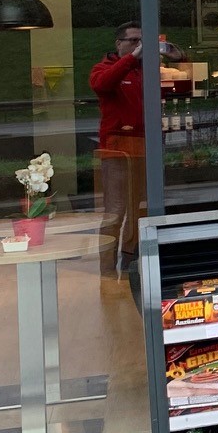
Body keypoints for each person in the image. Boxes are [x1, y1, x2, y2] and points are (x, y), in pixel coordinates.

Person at [89, 21, 146, 277]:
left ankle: (130, 260)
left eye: (141, 42)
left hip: (144, 147)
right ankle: (106, 267)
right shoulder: (105, 68)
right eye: (133, 40)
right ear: (119, 43)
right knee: (115, 210)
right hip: (117, 150)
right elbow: (102, 85)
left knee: (139, 208)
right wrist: (132, 59)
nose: (138, 46)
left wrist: (177, 55)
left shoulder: (144, 71)